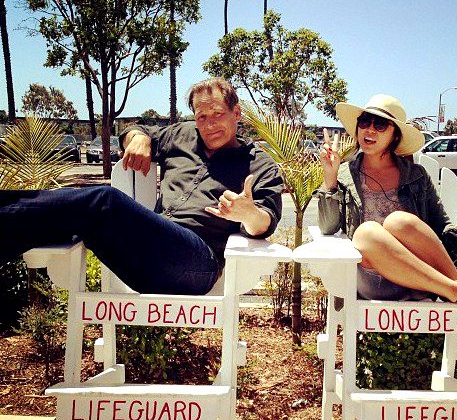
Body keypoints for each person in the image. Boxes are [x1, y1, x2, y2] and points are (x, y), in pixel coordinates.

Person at [0, 77, 283, 295]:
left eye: (218, 114)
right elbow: (140, 130)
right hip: (144, 257)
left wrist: (248, 214)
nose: (209, 125)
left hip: (196, 265)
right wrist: (137, 137)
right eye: (201, 117)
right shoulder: (182, 135)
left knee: (104, 201)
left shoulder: (259, 165)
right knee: (86, 218)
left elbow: (265, 222)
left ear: (237, 113)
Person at [316, 93, 457, 306]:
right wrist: (331, 179)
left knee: (400, 221)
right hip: (373, 279)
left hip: (420, 277)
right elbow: (328, 228)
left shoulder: (416, 176)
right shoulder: (346, 176)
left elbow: (440, 223)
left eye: (381, 124)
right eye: (365, 121)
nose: (370, 129)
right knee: (367, 232)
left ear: (395, 135)